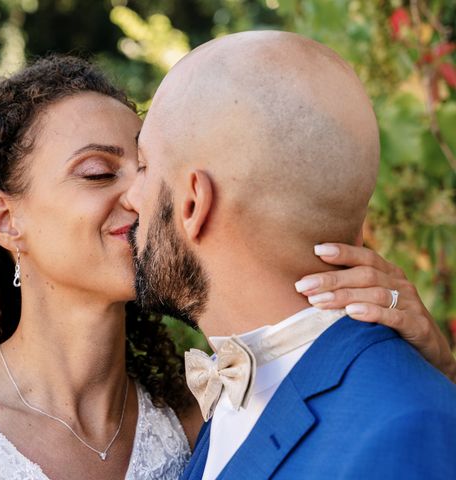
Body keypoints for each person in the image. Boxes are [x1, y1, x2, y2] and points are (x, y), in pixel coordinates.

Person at [0, 55, 453, 480]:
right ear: (6, 221)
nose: (138, 198)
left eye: (144, 168)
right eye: (99, 173)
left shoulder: (201, 419)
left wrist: (437, 365)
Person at [125, 31, 456, 480]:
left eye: (144, 166)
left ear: (192, 203)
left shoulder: (403, 431)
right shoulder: (228, 400)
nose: (130, 196)